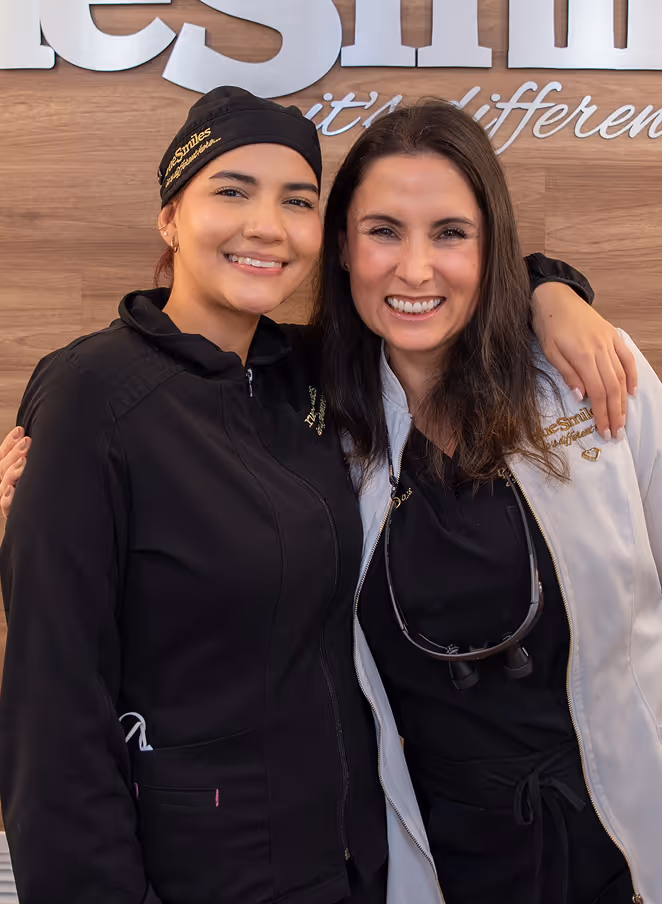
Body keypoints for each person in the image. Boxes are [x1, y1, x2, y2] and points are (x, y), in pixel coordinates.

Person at [0, 87, 638, 904]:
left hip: (354, 862)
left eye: (295, 201)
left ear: (322, 239)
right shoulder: (94, 394)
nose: (265, 224)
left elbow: (434, 287)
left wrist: (551, 291)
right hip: (198, 869)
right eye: (231, 190)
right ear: (169, 217)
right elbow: (52, 723)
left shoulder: (310, 373)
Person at [314, 99, 661, 903]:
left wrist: (552, 290)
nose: (415, 270)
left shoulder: (592, 378)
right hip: (432, 851)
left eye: (450, 232)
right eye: (383, 231)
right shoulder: (309, 427)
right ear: (341, 248)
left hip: (614, 841)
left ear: (492, 245)